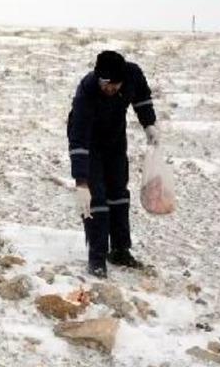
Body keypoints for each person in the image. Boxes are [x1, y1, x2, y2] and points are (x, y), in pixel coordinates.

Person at [67, 50, 160, 278]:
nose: (109, 89)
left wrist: (149, 124)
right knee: (95, 199)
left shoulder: (133, 74)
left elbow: (142, 98)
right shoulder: (86, 91)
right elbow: (78, 138)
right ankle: (97, 258)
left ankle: (120, 250)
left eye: (114, 85)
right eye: (105, 83)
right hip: (89, 144)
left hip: (116, 142)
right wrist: (81, 182)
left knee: (119, 194)